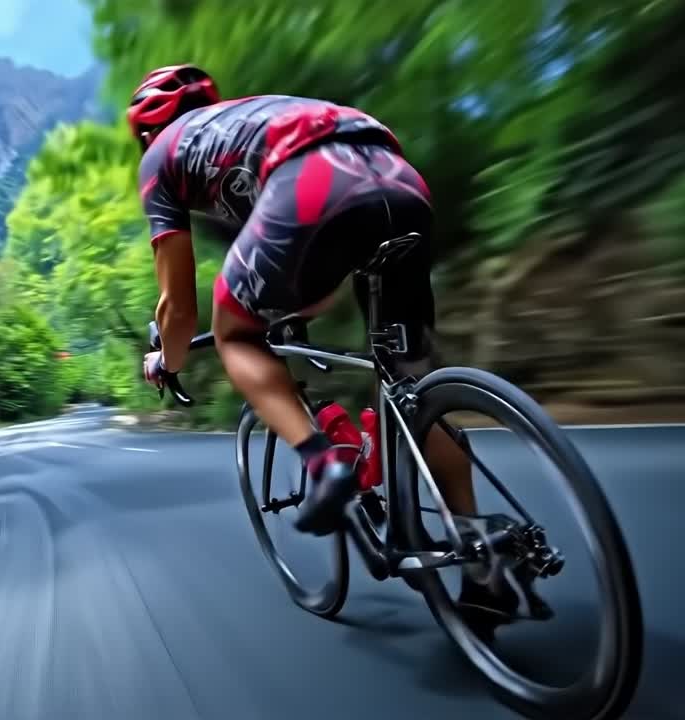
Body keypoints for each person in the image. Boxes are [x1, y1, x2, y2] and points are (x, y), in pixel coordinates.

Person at [129, 64, 547, 622]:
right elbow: (308, 269)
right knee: (411, 385)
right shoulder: (250, 119)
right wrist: (288, 307)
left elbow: (178, 308)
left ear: (148, 131)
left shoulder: (161, 158)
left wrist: (166, 359)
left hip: (312, 185)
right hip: (399, 179)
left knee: (234, 335)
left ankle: (324, 465)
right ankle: (479, 562)